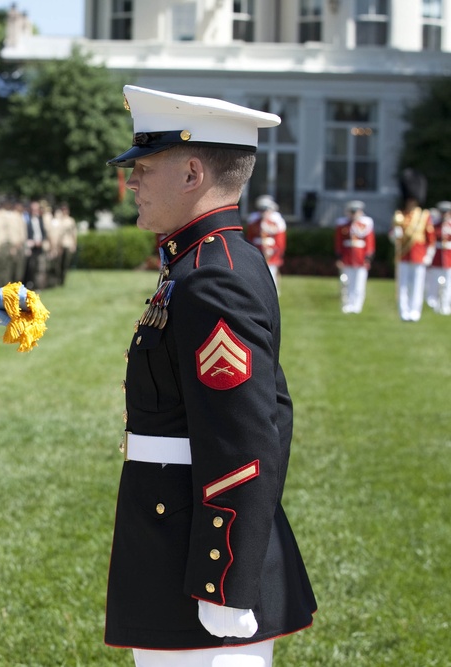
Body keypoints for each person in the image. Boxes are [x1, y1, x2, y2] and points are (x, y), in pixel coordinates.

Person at [103, 85, 317, 667]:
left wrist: (224, 577)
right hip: (176, 535)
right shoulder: (208, 261)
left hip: (198, 557)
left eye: (144, 168)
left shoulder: (211, 276)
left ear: (193, 172)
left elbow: (246, 436)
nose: (132, 183)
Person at [389, 169, 435, 322]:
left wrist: (428, 254)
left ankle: (415, 311)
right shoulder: (399, 215)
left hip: (418, 254)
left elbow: (430, 238)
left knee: (417, 285)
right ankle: (404, 311)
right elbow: (392, 234)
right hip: (403, 254)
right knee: (402, 285)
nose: (411, 202)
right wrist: (394, 235)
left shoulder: (424, 216)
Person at [334, 200, 375, 314]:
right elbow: (339, 242)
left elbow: (369, 242)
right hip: (347, 258)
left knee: (359, 284)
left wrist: (368, 257)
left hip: (360, 258)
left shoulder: (365, 225)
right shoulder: (343, 225)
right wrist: (339, 258)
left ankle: (357, 305)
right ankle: (347, 304)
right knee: (347, 283)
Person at [246, 194, 286, 291]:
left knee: (271, 274)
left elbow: (280, 241)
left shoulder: (276, 223)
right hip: (258, 253)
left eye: (266, 209)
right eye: (262, 209)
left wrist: (275, 250)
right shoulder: (254, 222)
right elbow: (250, 238)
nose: (264, 212)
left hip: (271, 254)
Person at [428, 200, 451, 315]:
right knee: (435, 282)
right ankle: (434, 302)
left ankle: (445, 304)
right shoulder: (434, 224)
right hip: (437, 258)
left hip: (448, 258)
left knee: (448, 283)